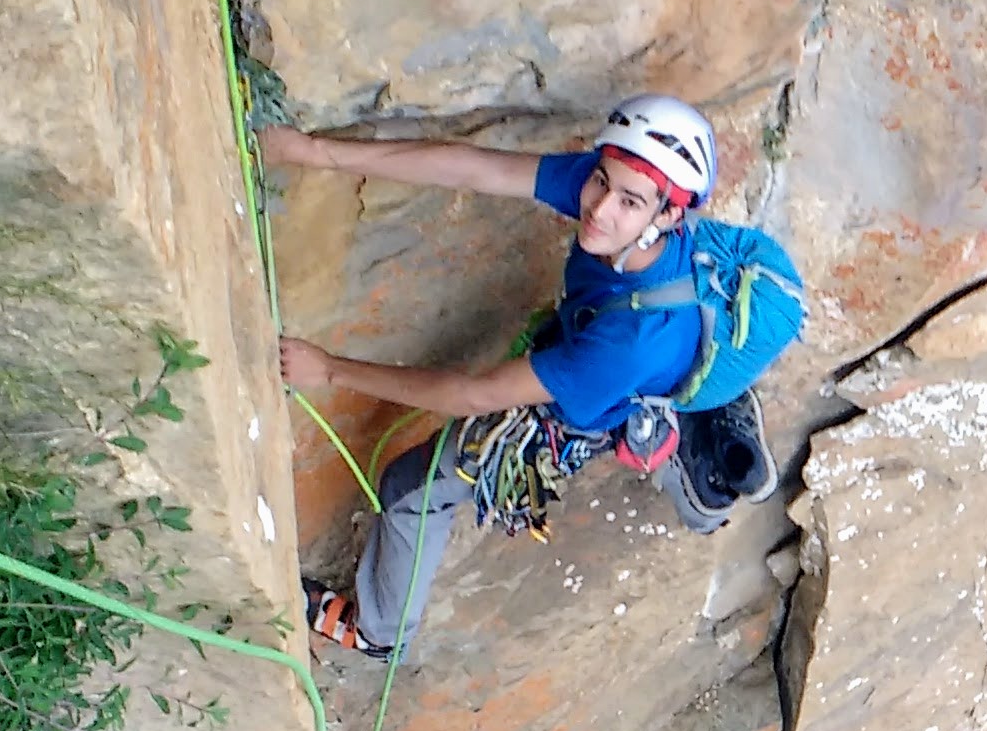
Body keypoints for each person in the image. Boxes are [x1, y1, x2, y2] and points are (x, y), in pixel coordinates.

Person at [266, 96, 777, 658]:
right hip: (615, 341)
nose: (600, 209)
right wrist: (316, 152)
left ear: (668, 216)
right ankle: (697, 416)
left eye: (629, 202)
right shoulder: (615, 193)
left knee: (410, 489)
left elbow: (471, 396)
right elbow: (475, 168)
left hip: (576, 406)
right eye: (601, 182)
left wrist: (331, 369)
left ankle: (380, 633)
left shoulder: (625, 347)